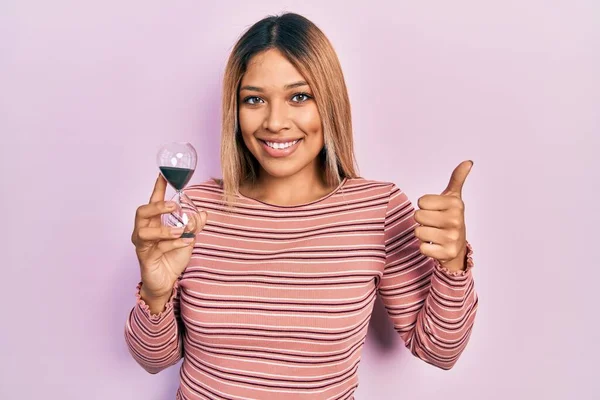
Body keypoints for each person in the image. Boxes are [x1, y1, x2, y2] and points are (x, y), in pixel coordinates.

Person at [125, 12, 478, 400]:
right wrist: (155, 293)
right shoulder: (195, 209)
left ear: (329, 102)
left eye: (299, 96)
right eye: (254, 99)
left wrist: (452, 264)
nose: (276, 122)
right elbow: (152, 360)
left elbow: (439, 351)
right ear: (235, 110)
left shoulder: (378, 211)